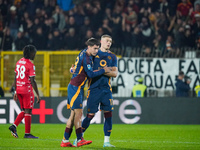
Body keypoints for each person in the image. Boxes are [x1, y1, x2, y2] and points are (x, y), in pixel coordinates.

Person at [60, 38, 111, 147]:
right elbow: (91, 74)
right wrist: (103, 70)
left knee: (73, 115)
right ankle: (79, 140)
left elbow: (77, 66)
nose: (96, 51)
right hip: (76, 88)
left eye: (97, 48)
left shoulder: (84, 53)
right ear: (89, 47)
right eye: (94, 48)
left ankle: (65, 140)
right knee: (78, 114)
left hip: (75, 87)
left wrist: (73, 69)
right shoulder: (86, 58)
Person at [73, 35, 118, 147]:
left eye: (111, 41)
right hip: (93, 89)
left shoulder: (112, 56)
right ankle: (79, 138)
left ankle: (106, 142)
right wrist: (104, 70)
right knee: (90, 115)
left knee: (108, 114)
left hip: (106, 90)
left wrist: (99, 71)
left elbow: (114, 73)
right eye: (107, 41)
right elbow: (88, 71)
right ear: (101, 41)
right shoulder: (93, 54)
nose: (109, 43)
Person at [8, 45, 41, 138]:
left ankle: (14, 126)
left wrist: (15, 91)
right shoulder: (30, 65)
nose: (35, 55)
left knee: (24, 110)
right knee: (28, 110)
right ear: (31, 53)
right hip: (26, 89)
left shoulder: (19, 62)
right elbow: (32, 80)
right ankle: (27, 133)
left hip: (19, 89)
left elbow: (15, 77)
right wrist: (38, 94)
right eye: (34, 53)